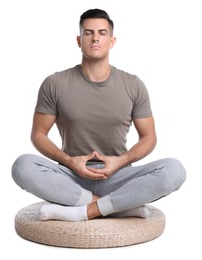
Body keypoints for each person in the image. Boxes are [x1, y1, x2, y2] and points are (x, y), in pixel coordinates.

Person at [12, 8, 186, 222]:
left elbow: (149, 137)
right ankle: (116, 207)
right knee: (22, 166)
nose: (95, 38)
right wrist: (69, 161)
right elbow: (38, 134)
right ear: (79, 40)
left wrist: (121, 161)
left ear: (112, 41)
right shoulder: (54, 83)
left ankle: (84, 210)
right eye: (88, 32)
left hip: (118, 175)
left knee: (174, 170)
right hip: (71, 176)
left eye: (102, 33)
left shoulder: (133, 85)